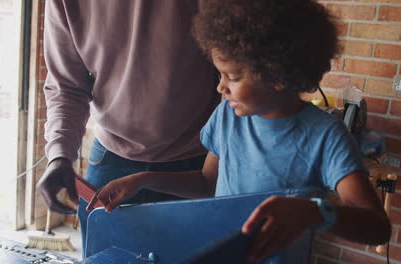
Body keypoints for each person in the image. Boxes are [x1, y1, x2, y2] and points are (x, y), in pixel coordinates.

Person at [94, 0, 391, 262]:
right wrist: (144, 180)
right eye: (220, 74)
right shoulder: (227, 115)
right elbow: (207, 183)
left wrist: (314, 212)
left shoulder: (326, 136)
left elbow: (377, 227)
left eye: (233, 76)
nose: (220, 87)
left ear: (277, 74)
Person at [36, 0, 221, 257]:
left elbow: (230, 66)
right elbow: (66, 87)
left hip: (195, 162)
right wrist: (58, 155)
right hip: (112, 159)